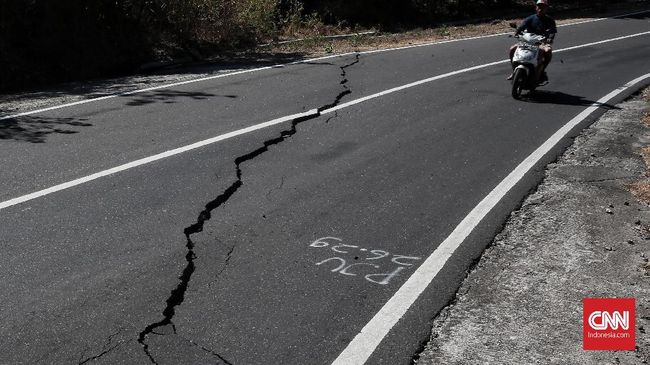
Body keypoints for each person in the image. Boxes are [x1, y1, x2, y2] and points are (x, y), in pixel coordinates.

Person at [507, 0, 557, 83]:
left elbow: (553, 31)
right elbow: (522, 27)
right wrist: (516, 33)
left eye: (543, 7)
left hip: (542, 42)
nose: (540, 9)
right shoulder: (531, 18)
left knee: (547, 51)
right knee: (512, 49)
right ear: (536, 8)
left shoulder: (550, 20)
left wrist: (549, 39)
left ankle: (541, 71)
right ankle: (514, 71)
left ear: (546, 9)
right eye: (539, 6)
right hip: (528, 40)